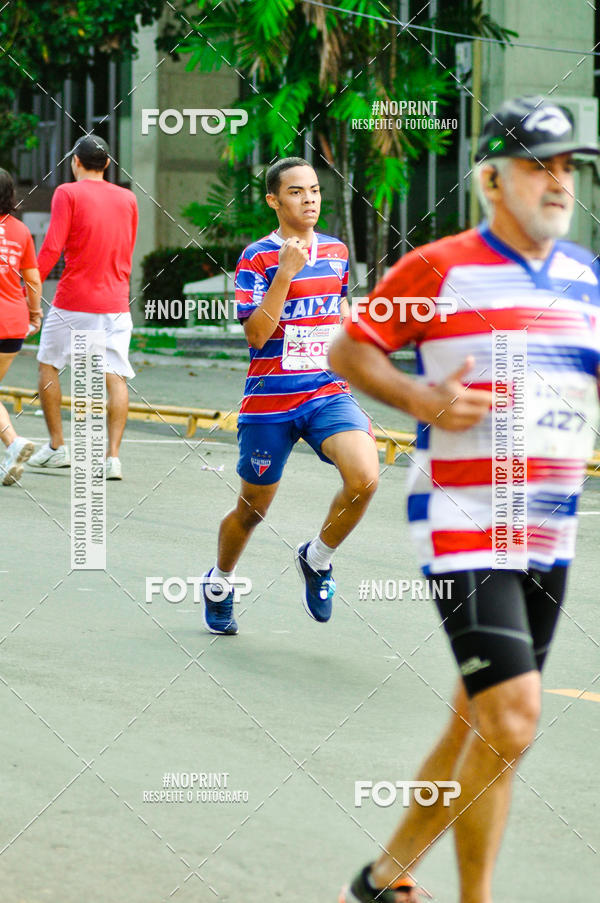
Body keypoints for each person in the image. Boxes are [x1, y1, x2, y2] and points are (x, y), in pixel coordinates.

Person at [329, 96, 600, 903]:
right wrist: (421, 400)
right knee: (513, 719)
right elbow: (352, 347)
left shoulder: (587, 276)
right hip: (464, 522)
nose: (558, 182)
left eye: (568, 167)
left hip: (549, 528)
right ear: (490, 178)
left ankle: (379, 881)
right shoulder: (439, 267)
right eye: (538, 165)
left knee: (479, 726)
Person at [201, 157, 379, 635]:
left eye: (315, 190)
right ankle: (220, 584)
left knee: (365, 478)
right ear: (274, 201)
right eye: (297, 192)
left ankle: (317, 560)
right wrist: (284, 273)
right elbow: (257, 336)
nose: (310, 200)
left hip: (325, 390)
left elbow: (338, 308)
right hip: (270, 401)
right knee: (253, 509)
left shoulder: (338, 252)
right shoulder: (256, 258)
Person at [28, 135, 138, 480]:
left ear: (76, 161)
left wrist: (27, 291)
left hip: (74, 299)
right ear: (106, 165)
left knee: (48, 364)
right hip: (117, 302)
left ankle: (58, 448)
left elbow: (51, 248)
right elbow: (127, 248)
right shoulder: (129, 198)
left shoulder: (67, 193)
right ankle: (112, 458)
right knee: (116, 376)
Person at [0, 169, 43, 485]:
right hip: (13, 323)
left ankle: (14, 444)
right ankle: (12, 448)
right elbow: (32, 279)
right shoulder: (20, 231)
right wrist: (35, 313)